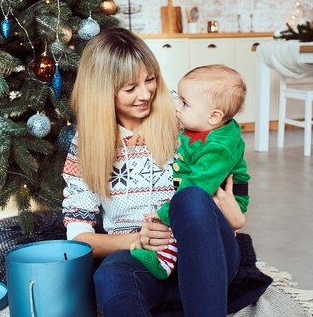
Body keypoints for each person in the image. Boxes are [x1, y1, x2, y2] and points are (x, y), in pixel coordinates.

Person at [62, 27, 247, 316]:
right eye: (130, 88)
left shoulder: (183, 113)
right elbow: (79, 238)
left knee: (190, 198)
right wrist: (138, 240)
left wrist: (235, 219)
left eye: (150, 80)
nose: (146, 94)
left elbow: (226, 161)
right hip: (145, 261)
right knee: (109, 276)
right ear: (102, 93)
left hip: (207, 257)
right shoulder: (85, 145)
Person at [131, 64, 250, 280]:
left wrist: (164, 213)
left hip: (218, 199)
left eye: (184, 103)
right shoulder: (204, 123)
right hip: (200, 195)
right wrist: (143, 126)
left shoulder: (218, 148)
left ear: (214, 116)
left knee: (186, 216)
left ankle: (165, 262)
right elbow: (166, 111)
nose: (177, 107)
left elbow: (198, 186)